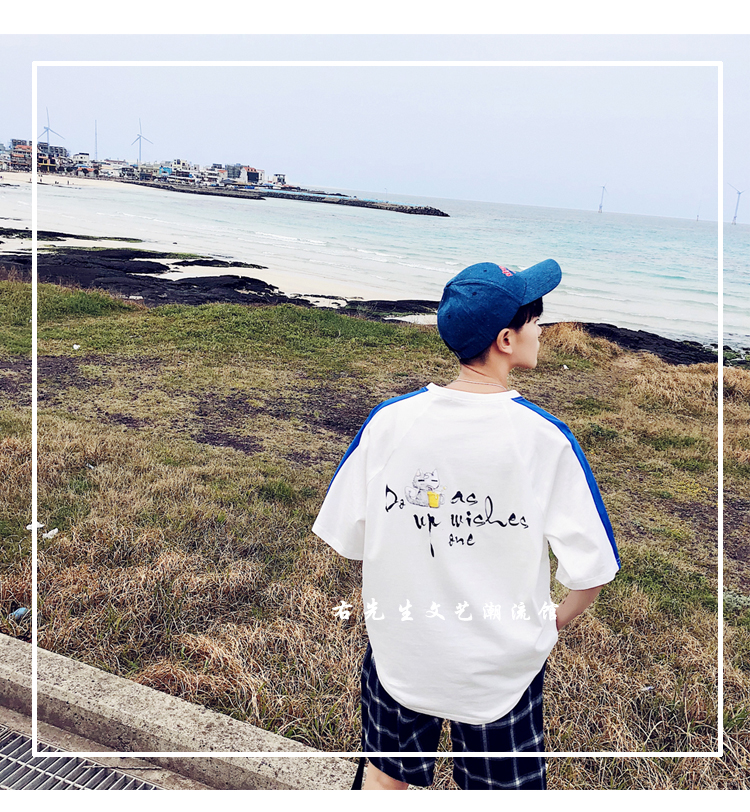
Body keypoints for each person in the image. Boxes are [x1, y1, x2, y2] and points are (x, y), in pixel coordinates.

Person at [312, 259, 621, 790]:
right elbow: (591, 569)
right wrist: (554, 622)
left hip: (402, 652)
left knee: (385, 780)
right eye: (534, 319)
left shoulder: (389, 421)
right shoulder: (544, 438)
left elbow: (350, 537)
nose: (541, 330)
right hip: (500, 667)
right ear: (506, 339)